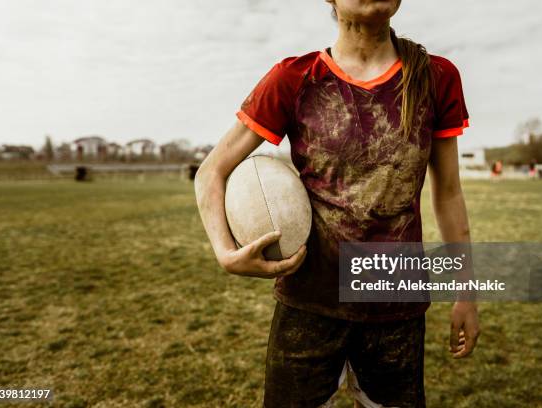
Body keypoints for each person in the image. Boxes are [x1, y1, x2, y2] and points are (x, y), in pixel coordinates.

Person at [194, 1, 480, 406]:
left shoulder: (435, 77)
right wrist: (226, 252)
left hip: (395, 309)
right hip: (309, 305)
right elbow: (211, 171)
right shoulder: (294, 78)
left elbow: (449, 191)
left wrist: (466, 292)